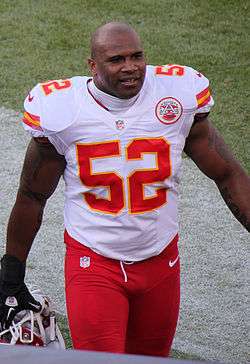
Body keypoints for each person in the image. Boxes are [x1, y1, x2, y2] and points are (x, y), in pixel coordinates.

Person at [0, 21, 249, 357]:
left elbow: (228, 173)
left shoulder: (175, 97)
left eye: (137, 56)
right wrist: (11, 273)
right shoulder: (64, 112)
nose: (130, 67)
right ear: (93, 66)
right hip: (94, 263)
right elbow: (32, 196)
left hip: (161, 261)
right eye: (116, 59)